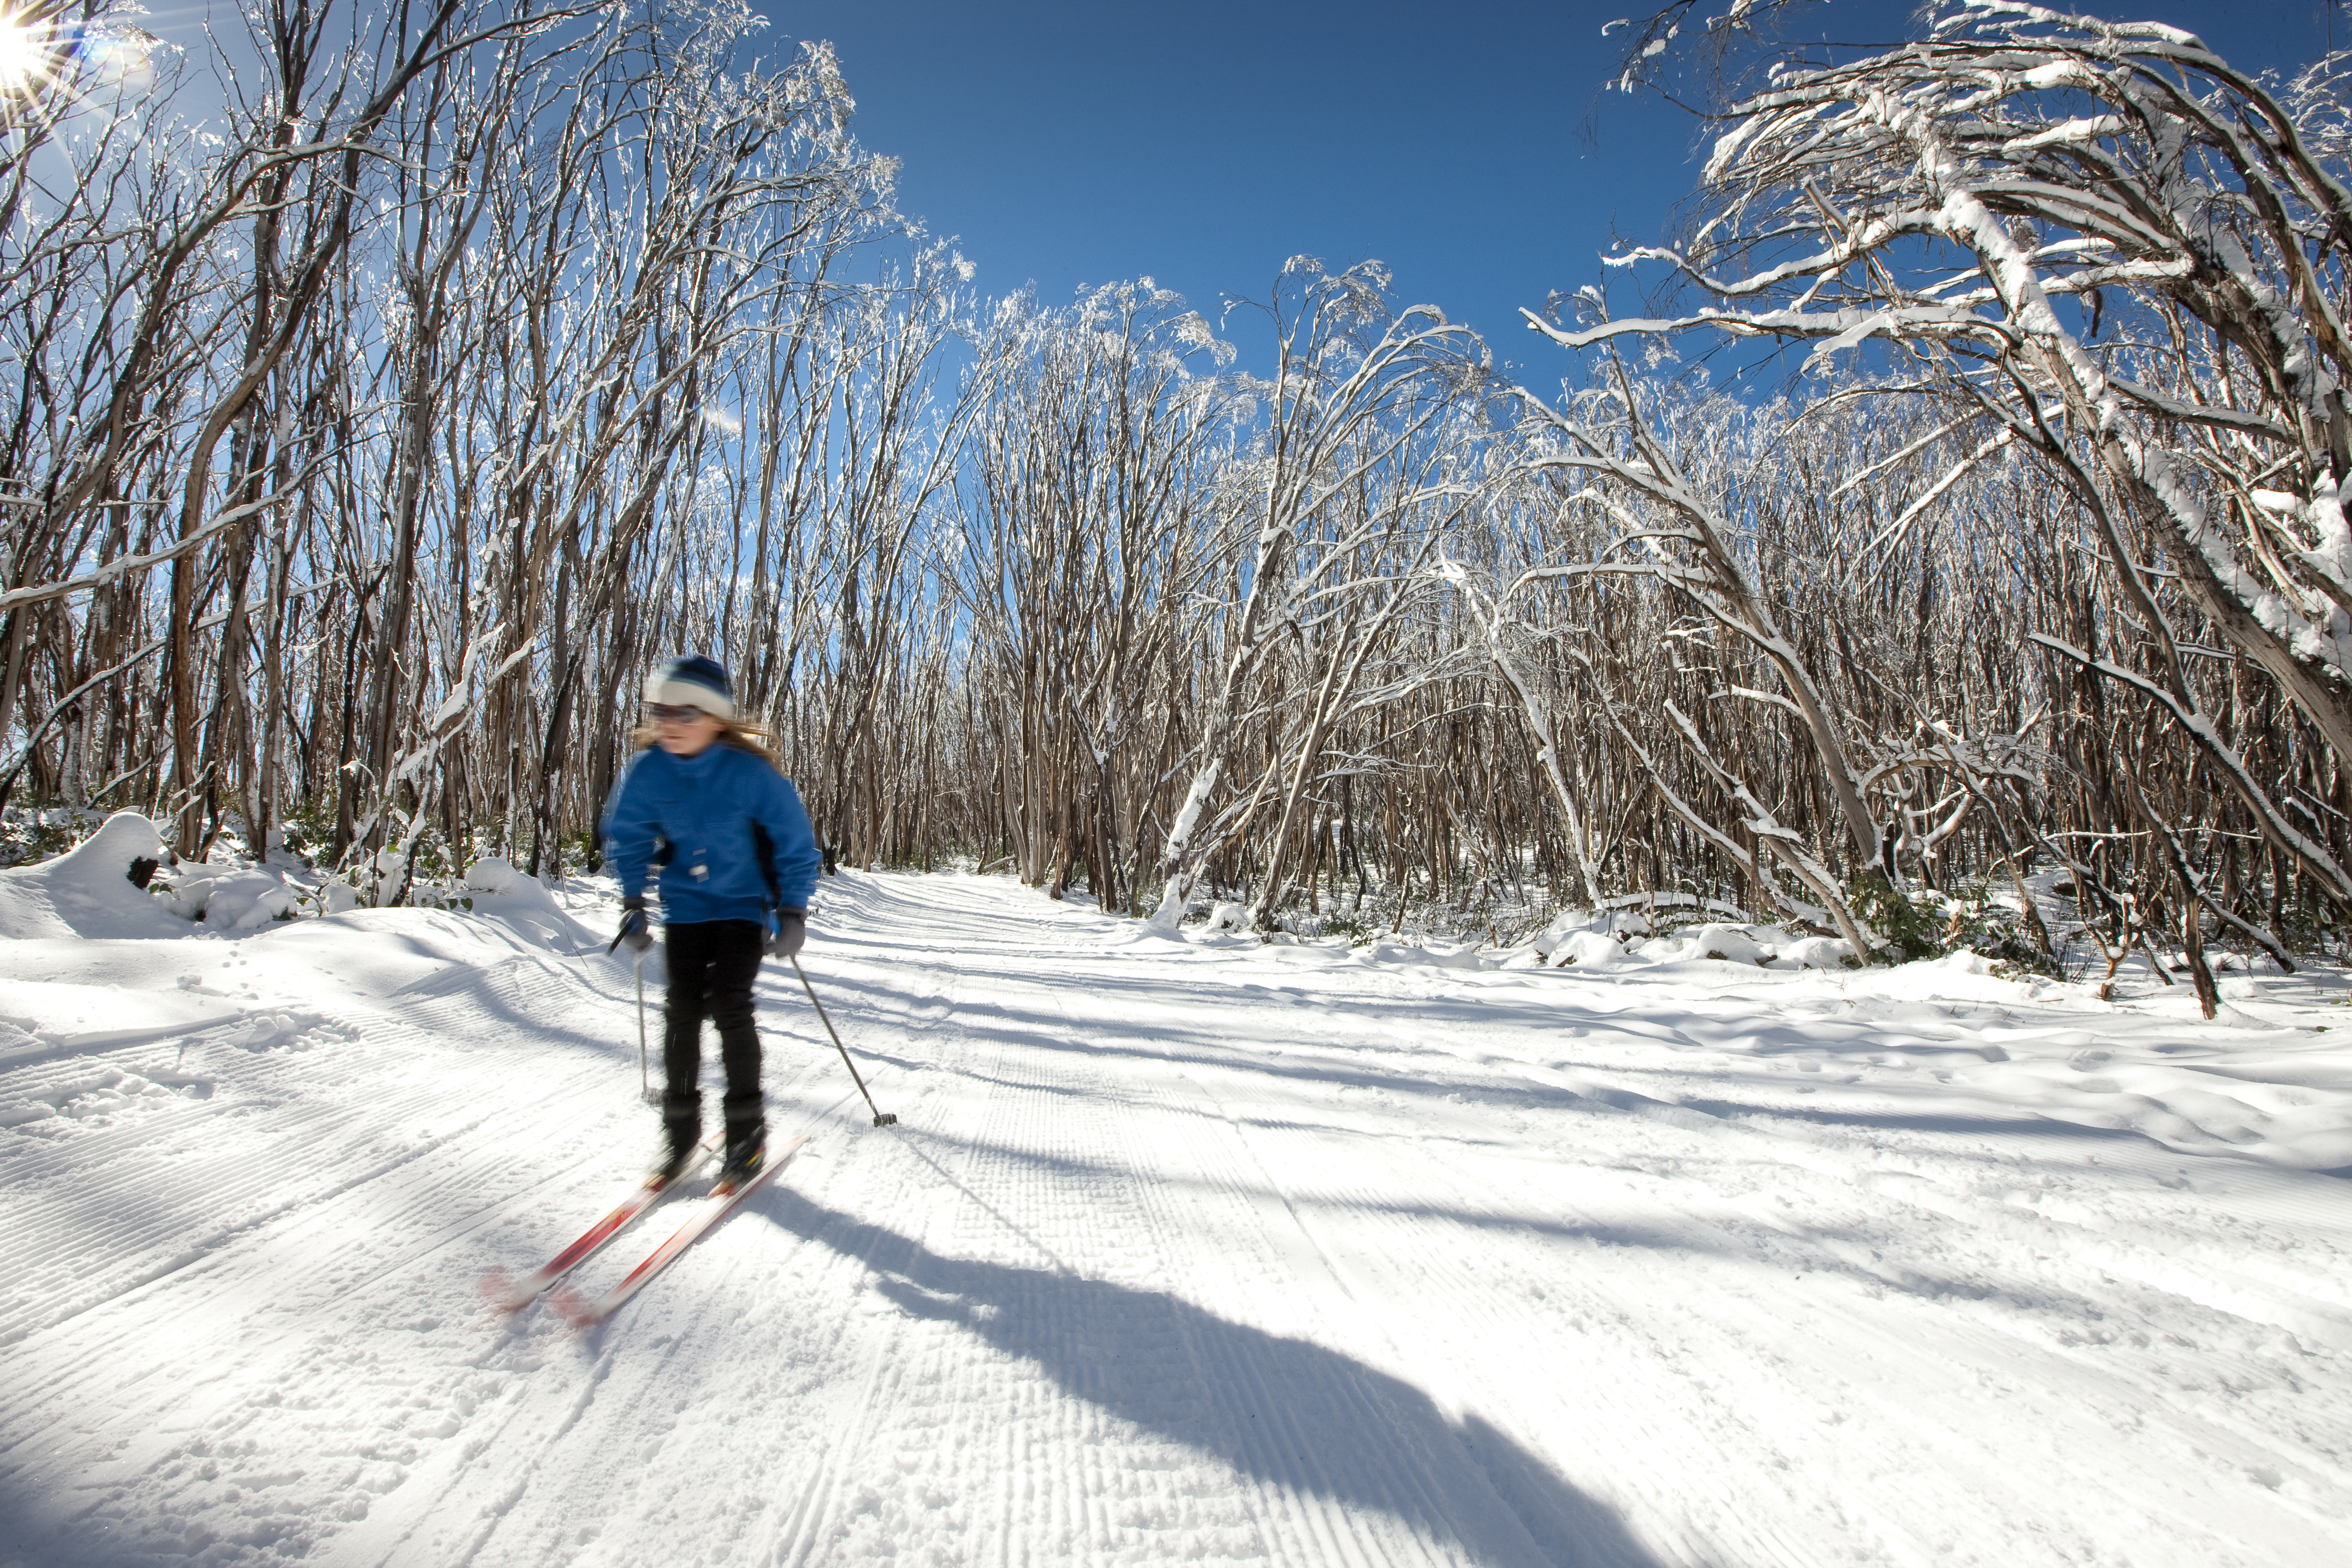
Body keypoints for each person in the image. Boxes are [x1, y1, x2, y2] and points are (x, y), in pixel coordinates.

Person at [601, 655, 823, 1184]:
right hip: (687, 908)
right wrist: (633, 902)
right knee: (680, 1010)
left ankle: (746, 1136)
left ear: (717, 719)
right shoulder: (649, 770)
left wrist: (792, 909)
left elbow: (796, 845)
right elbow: (628, 837)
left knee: (729, 1005)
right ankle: (679, 1137)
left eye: (686, 714)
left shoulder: (751, 774)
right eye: (661, 712)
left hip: (743, 907)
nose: (669, 724)